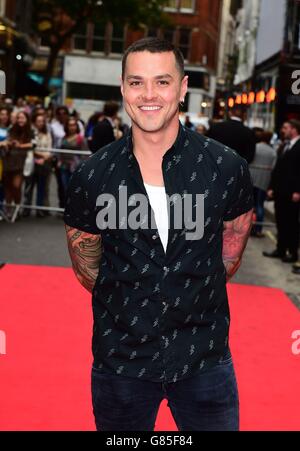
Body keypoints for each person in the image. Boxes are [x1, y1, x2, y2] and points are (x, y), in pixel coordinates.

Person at [64, 38, 253, 431]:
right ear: (122, 88)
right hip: (121, 361)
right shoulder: (92, 175)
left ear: (183, 88)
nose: (148, 95)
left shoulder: (225, 167)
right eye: (136, 83)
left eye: (162, 82)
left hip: (205, 358)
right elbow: (87, 268)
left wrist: (188, 292)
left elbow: (228, 258)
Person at [263, 120, 300, 263]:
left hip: (293, 193)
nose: (282, 130)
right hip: (280, 191)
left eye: (285, 128)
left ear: (294, 129)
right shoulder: (284, 145)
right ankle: (280, 249)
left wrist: (298, 191)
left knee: (291, 223)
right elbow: (278, 169)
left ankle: (292, 252)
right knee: (281, 221)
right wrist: (272, 187)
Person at [2, 111, 34, 219]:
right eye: (18, 118)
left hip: (21, 163)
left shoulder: (31, 131)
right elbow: (7, 140)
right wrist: (8, 143)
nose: (20, 120)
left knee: (16, 186)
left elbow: (34, 144)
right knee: (7, 187)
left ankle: (17, 207)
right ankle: (9, 210)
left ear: (27, 119)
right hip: (8, 160)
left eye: (22, 118)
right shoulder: (11, 129)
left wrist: (20, 145)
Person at [23, 114, 53, 217]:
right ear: (34, 122)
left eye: (42, 121)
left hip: (44, 164)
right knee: (29, 187)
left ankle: (39, 209)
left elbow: (50, 149)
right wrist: (41, 155)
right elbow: (32, 147)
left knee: (41, 187)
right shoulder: (31, 133)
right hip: (32, 162)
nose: (40, 123)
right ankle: (26, 209)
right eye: (38, 121)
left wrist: (45, 156)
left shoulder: (47, 134)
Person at [249, 130, 276, 237]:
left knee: (250, 205)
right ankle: (258, 230)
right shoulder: (272, 152)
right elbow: (274, 167)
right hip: (264, 179)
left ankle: (247, 227)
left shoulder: (254, 147)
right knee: (260, 205)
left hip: (252, 176)